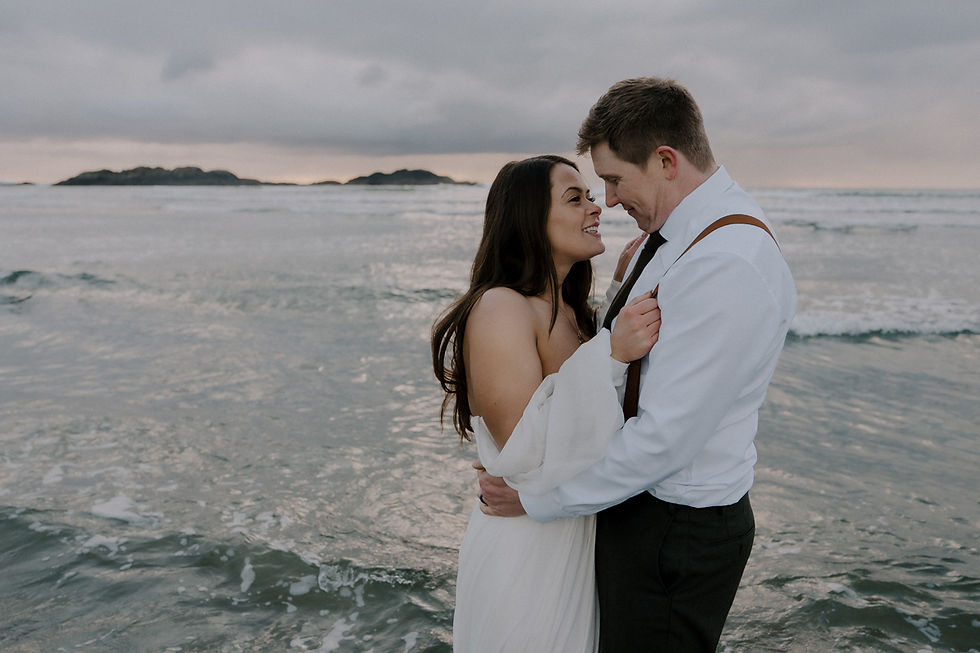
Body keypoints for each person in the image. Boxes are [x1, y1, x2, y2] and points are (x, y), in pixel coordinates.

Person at [478, 77, 798, 652]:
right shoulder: (672, 237)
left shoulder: (726, 262)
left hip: (674, 527)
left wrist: (540, 503)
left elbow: (664, 439)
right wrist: (619, 297)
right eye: (590, 189)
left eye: (614, 180)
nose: (611, 200)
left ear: (666, 160)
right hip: (626, 508)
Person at [431, 154, 661, 652]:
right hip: (523, 548)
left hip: (569, 534)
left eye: (592, 196)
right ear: (529, 218)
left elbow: (598, 408)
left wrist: (619, 297)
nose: (596, 208)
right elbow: (523, 449)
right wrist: (612, 353)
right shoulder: (501, 307)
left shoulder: (576, 316)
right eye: (575, 198)